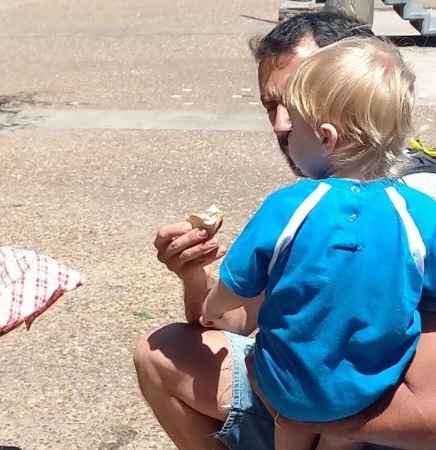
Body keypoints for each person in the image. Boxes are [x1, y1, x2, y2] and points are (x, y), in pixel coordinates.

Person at [133, 11, 436, 450]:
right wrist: (193, 275)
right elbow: (235, 321)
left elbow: (429, 416)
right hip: (322, 397)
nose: (279, 124)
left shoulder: (421, 203)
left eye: (295, 102)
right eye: (270, 106)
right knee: (160, 352)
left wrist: (297, 409)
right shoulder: (311, 202)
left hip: (381, 421)